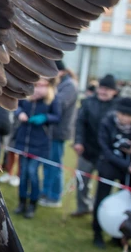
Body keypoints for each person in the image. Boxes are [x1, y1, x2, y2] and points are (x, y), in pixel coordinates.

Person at [13, 77, 60, 219]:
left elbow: (57, 116)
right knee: (23, 175)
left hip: (39, 144)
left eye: (42, 85)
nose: (39, 88)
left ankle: (33, 204)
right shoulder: (26, 96)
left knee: (33, 173)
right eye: (36, 84)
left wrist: (45, 118)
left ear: (48, 86)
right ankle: (22, 202)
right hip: (23, 142)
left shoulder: (52, 100)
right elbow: (16, 105)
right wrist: (19, 113)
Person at [72, 74, 118, 217]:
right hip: (87, 149)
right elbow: (80, 123)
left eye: (107, 89)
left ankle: (101, 214)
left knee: (104, 187)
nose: (103, 91)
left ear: (114, 91)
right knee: (82, 182)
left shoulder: (118, 106)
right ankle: (83, 206)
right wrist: (78, 141)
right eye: (101, 88)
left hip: (107, 154)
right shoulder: (87, 102)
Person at [92, 98, 131, 249]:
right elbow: (105, 149)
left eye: (128, 115)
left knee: (126, 202)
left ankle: (121, 234)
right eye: (122, 113)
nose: (124, 117)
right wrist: (126, 165)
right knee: (101, 201)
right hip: (108, 167)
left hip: (128, 172)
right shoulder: (107, 122)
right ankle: (97, 233)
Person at [40, 61, 78, 208]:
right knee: (48, 164)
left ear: (60, 71)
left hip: (59, 131)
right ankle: (46, 191)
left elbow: (58, 104)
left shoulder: (69, 86)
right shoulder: (59, 83)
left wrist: (45, 95)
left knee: (55, 164)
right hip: (50, 130)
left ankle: (54, 196)